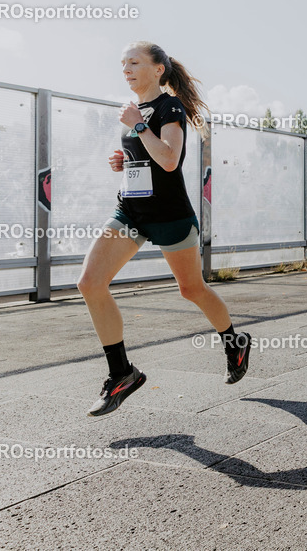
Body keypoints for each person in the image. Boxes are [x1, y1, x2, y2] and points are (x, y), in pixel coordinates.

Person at [77, 42, 251, 417]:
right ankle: (122, 373)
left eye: (134, 62)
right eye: (122, 63)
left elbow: (170, 160)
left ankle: (233, 341)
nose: (126, 68)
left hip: (169, 214)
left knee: (191, 289)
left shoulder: (169, 107)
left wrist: (138, 126)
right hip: (132, 211)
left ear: (158, 69)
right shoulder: (135, 111)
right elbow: (149, 156)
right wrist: (124, 160)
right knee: (90, 283)